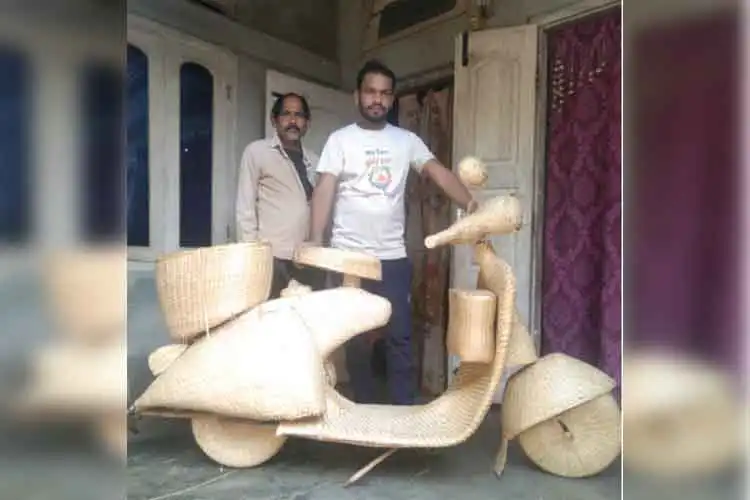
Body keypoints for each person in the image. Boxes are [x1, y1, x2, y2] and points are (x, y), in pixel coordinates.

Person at [307, 59, 478, 405]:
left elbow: (437, 172)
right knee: (354, 337)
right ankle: (364, 408)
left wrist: (473, 204)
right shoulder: (340, 140)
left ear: (392, 99)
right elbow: (324, 189)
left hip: (392, 258)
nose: (377, 99)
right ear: (357, 95)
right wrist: (314, 238)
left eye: (385, 93)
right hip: (349, 257)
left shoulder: (406, 140)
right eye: (370, 91)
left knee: (399, 335)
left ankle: (404, 409)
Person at [236, 92, 324, 298]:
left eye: (299, 115)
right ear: (274, 120)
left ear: (307, 123)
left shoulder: (316, 160)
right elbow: (244, 209)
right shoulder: (256, 152)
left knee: (307, 323)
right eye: (286, 114)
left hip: (308, 258)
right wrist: (253, 258)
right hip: (272, 258)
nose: (293, 121)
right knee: (271, 322)